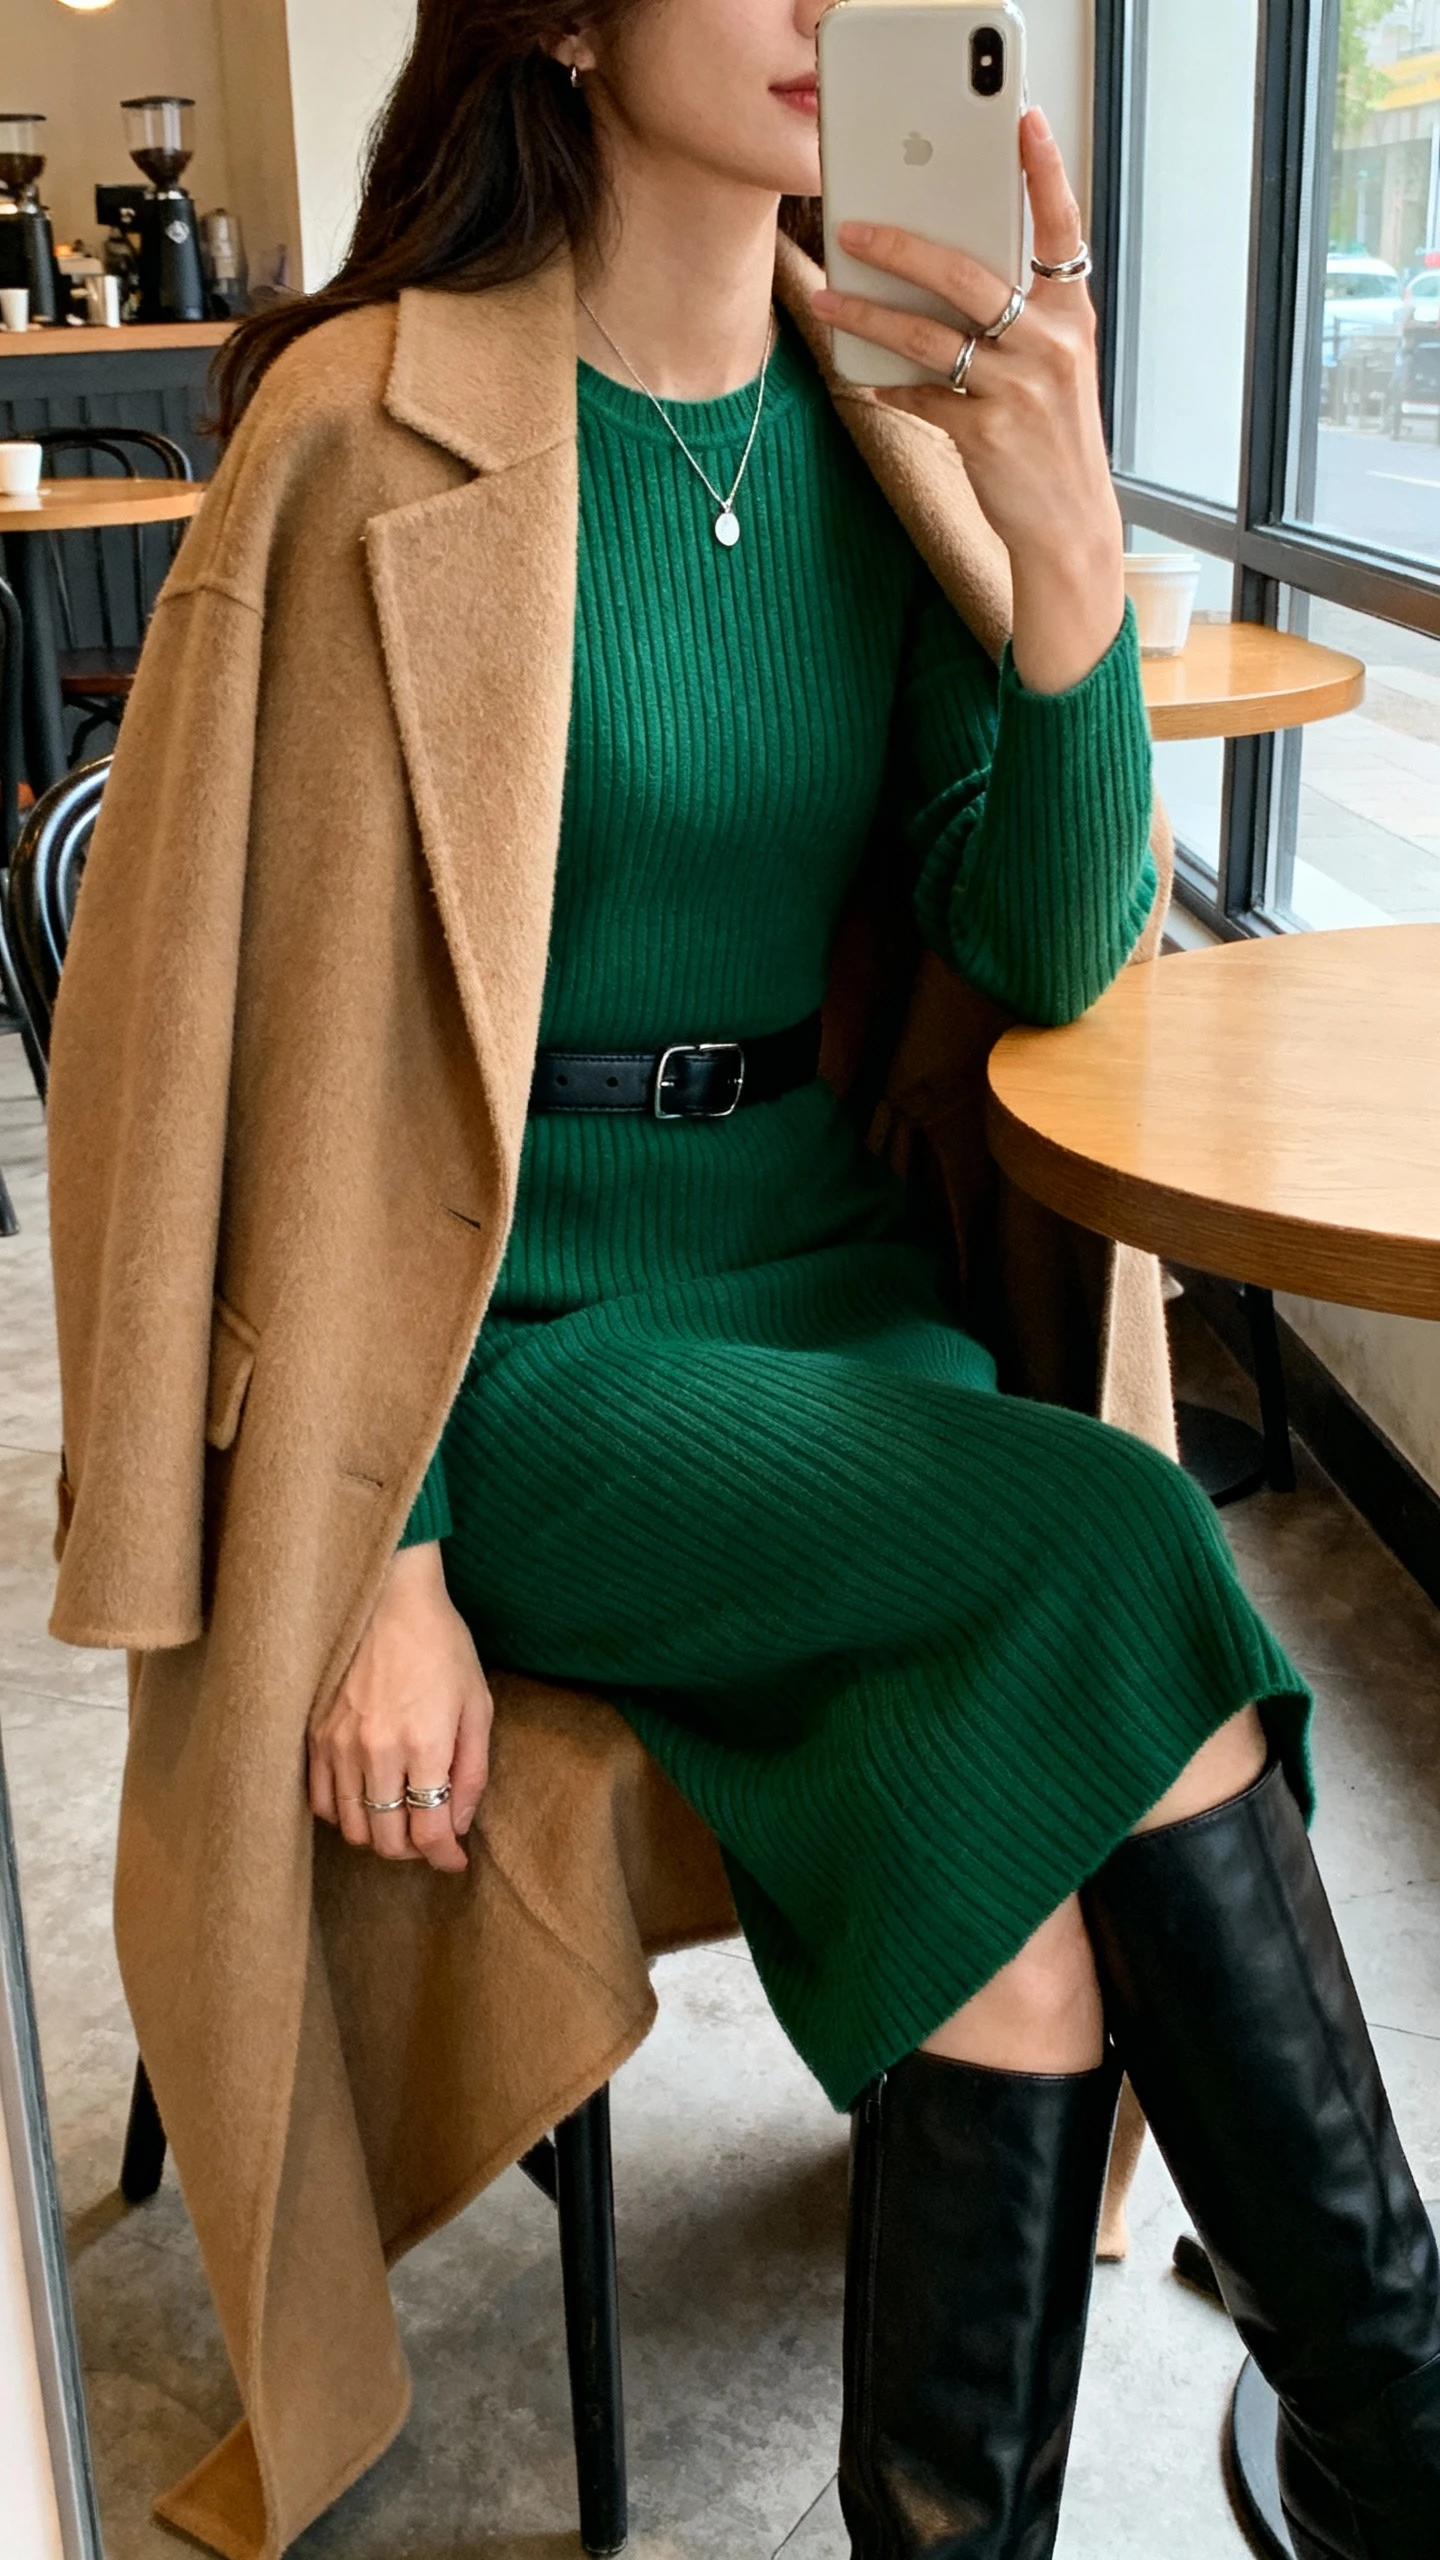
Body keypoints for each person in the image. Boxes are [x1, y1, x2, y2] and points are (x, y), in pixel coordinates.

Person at [46, 4, 1439, 2554]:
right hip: (509, 1345)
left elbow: (1031, 949)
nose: (830, 11)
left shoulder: (885, 415)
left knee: (1023, 1926)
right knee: (1125, 1538)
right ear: (568, 18)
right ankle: (1408, 2422)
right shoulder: (362, 429)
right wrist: (394, 1543)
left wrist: (1065, 572)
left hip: (825, 1278)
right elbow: (246, 1065)